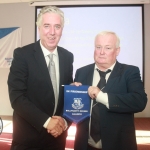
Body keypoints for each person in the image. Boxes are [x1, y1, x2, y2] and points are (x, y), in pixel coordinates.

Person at [7, 6, 73, 150]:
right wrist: (46, 121)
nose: (52, 32)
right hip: (28, 140)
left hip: (57, 139)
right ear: (39, 28)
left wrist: (63, 121)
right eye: (47, 26)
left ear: (62, 29)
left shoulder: (67, 57)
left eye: (57, 26)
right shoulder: (22, 55)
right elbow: (17, 97)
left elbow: (66, 95)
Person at [73, 31, 147, 150]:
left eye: (108, 48)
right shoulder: (81, 72)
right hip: (85, 145)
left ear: (117, 51)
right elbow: (77, 109)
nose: (102, 52)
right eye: (98, 47)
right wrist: (73, 93)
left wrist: (101, 96)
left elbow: (139, 101)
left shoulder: (130, 72)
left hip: (119, 144)